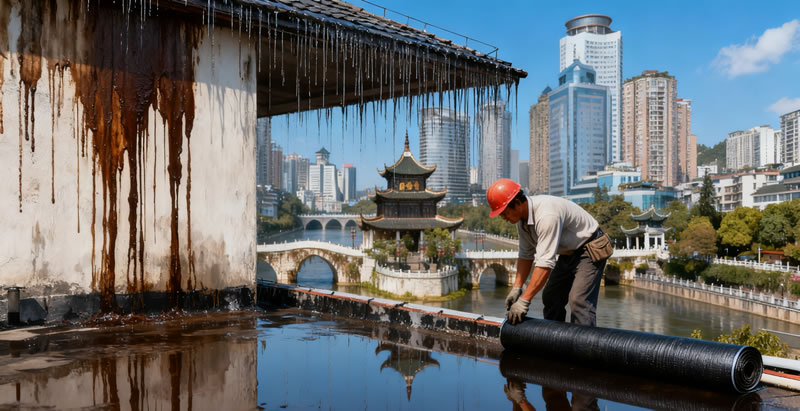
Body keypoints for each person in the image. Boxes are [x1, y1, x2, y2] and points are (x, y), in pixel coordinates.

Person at [486, 178, 611, 326]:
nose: (503, 218)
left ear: (518, 204)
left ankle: (584, 340)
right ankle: (554, 337)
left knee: (579, 301)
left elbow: (545, 264)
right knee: (551, 297)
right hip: (568, 253)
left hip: (589, 248)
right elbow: (526, 255)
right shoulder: (522, 221)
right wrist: (517, 288)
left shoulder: (546, 215)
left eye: (504, 213)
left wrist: (524, 301)